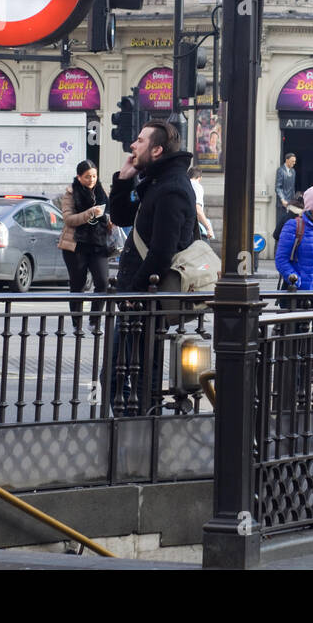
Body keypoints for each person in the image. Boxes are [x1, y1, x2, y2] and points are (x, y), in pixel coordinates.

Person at [108, 120, 197, 411]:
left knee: (129, 373)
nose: (133, 146)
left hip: (145, 298)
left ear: (157, 150)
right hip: (140, 296)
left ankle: (142, 430)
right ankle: (141, 427)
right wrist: (123, 180)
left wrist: (134, 294)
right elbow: (121, 217)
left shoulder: (171, 188)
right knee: (132, 371)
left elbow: (161, 252)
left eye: (140, 141)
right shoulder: (156, 182)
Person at [59, 160, 112, 326]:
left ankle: (94, 321)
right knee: (78, 284)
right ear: (79, 177)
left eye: (94, 176)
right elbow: (68, 219)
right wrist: (89, 213)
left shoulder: (102, 191)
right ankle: (77, 322)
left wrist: (110, 220)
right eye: (87, 177)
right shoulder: (70, 193)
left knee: (103, 282)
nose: (92, 180)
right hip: (76, 245)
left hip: (99, 243)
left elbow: (109, 211)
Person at [188, 166, 214, 240]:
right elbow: (197, 209)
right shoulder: (197, 186)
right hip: (193, 228)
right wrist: (208, 228)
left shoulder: (183, 184)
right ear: (200, 178)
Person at [274, 152, 297, 229]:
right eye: (292, 161)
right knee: (281, 224)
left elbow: (292, 188)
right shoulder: (280, 170)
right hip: (282, 204)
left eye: (294, 161)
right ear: (287, 160)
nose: (294, 163)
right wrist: (282, 199)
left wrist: (294, 200)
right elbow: (278, 187)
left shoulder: (293, 171)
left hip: (290, 203)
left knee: (290, 224)